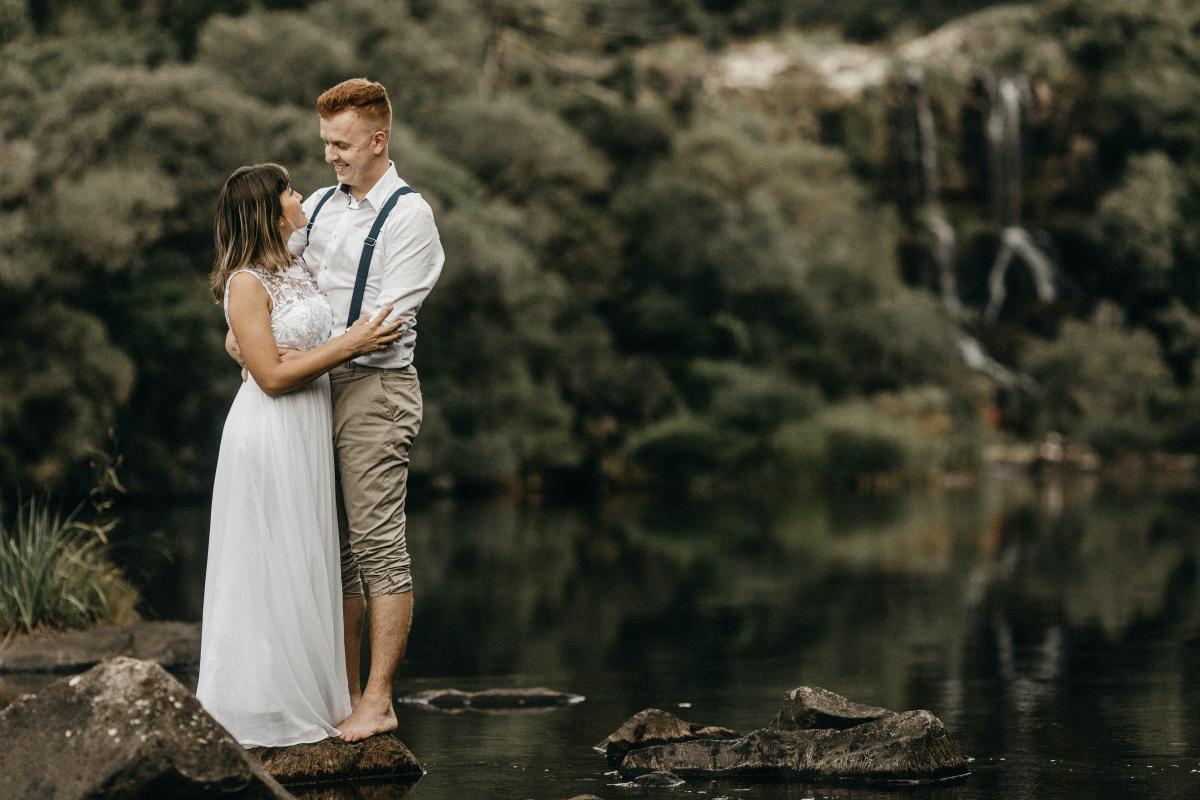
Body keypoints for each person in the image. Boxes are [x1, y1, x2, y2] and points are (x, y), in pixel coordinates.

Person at [227, 78, 444, 742]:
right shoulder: (316, 206)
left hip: (375, 390)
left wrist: (287, 353)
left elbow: (383, 323)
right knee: (335, 550)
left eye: (343, 144)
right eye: (325, 143)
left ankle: (378, 700)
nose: (331, 156)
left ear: (379, 141)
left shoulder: (410, 217)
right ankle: (340, 692)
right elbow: (271, 285)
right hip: (310, 390)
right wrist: (243, 337)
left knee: (377, 543)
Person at [198, 162, 403, 747]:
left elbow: (257, 340)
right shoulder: (245, 281)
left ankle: (323, 696)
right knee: (269, 561)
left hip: (308, 429)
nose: (299, 195)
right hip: (269, 432)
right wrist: (352, 343)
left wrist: (237, 340)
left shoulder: (296, 262)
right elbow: (271, 378)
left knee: (308, 558)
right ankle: (261, 707)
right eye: (288, 190)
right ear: (268, 208)